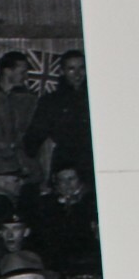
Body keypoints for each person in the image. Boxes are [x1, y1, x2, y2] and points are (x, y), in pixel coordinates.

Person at [24, 49, 92, 189]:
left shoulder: (99, 96)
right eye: (71, 69)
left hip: (94, 159)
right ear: (62, 72)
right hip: (66, 161)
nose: (78, 74)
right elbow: (34, 136)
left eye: (82, 68)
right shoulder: (52, 101)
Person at [0, 52, 41, 201]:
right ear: (7, 71)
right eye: (22, 72)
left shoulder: (30, 99)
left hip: (25, 169)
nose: (25, 77)